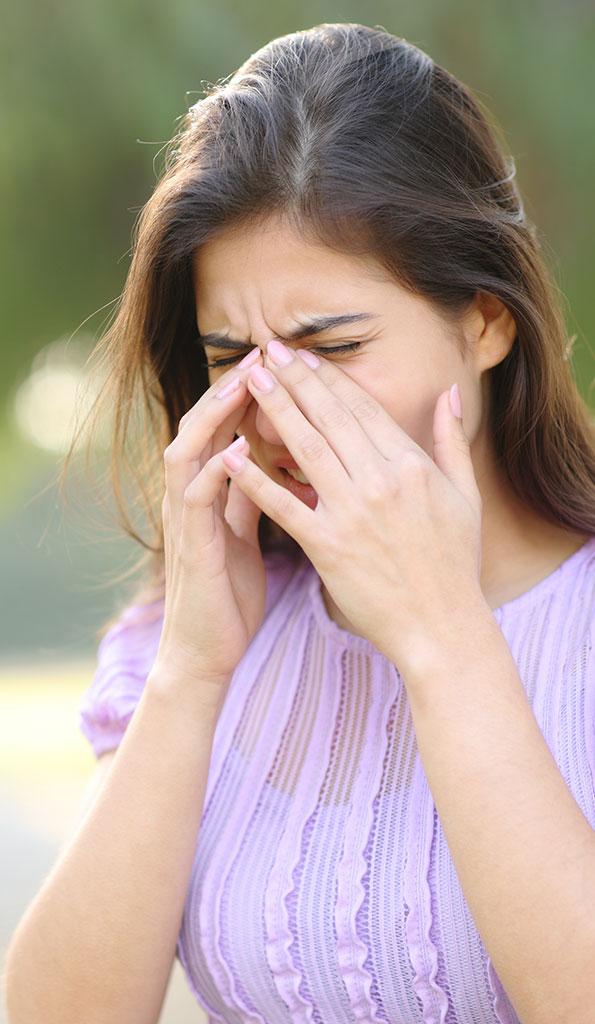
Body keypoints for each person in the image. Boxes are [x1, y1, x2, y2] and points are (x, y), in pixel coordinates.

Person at [5, 21, 595, 1024]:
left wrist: (444, 637)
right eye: (234, 356)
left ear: (485, 323)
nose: (278, 408)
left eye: (333, 344)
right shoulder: (195, 635)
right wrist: (190, 669)